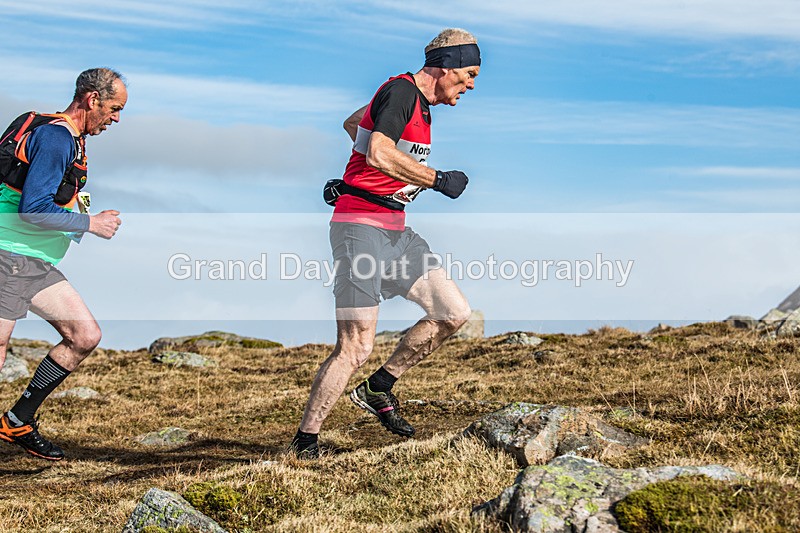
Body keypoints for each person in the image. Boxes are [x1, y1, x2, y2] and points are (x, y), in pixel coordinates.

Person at [291, 29, 481, 457]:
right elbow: (379, 150)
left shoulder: (410, 102)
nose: (470, 85)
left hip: (395, 229)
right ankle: (306, 442)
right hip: (360, 229)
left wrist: (357, 181)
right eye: (468, 75)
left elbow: (355, 125)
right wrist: (437, 179)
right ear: (446, 67)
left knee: (453, 313)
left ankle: (380, 386)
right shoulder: (402, 93)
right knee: (356, 346)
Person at [0, 68, 127, 460]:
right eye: (114, 108)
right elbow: (33, 208)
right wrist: (91, 223)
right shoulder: (56, 138)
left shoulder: (70, 139)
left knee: (84, 335)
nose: (116, 118)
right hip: (9, 254)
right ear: (92, 100)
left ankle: (17, 420)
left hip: (36, 262)